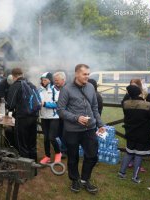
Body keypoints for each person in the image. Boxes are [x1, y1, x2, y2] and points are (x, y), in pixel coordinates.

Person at [57, 64, 105, 194]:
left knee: (92, 156)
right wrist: (76, 118)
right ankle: (75, 179)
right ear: (77, 74)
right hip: (72, 130)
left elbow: (95, 107)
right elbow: (60, 110)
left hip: (89, 129)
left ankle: (85, 180)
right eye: (85, 74)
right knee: (73, 157)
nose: (87, 76)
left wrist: (100, 124)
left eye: (88, 74)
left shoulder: (90, 87)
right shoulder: (66, 89)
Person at [117, 85, 150, 183]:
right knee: (139, 155)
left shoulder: (125, 104)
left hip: (130, 132)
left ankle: (122, 173)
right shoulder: (147, 105)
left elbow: (124, 101)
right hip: (143, 134)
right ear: (139, 92)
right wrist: (148, 97)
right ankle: (135, 177)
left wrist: (128, 94)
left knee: (129, 152)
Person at [6, 68, 39, 164]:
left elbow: (10, 104)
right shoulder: (31, 85)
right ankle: (34, 167)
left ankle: (25, 169)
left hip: (22, 118)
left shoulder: (15, 86)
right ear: (22, 74)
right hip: (34, 117)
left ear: (13, 76)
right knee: (32, 144)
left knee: (22, 144)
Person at [123, 78, 150, 172]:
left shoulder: (146, 94)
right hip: (131, 123)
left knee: (139, 148)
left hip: (142, 123)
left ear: (139, 86)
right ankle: (130, 163)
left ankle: (137, 164)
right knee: (131, 146)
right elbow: (123, 105)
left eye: (134, 85)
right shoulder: (127, 95)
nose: (132, 86)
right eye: (131, 84)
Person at [39, 72, 62, 164]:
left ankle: (58, 153)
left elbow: (58, 104)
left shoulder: (55, 90)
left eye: (45, 80)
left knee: (52, 137)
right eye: (42, 80)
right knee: (46, 138)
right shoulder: (39, 90)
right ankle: (47, 156)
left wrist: (45, 104)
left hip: (54, 117)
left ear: (50, 80)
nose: (43, 82)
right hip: (43, 116)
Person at [53, 71, 67, 158]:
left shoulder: (68, 88)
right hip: (57, 115)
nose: (55, 82)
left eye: (57, 80)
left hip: (66, 115)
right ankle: (60, 150)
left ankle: (64, 151)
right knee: (58, 133)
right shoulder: (55, 89)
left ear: (63, 80)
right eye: (55, 80)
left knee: (65, 134)